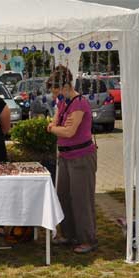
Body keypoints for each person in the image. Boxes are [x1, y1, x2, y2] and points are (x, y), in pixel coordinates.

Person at [46, 65, 98, 254]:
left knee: (81, 199)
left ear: (65, 85)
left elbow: (68, 131)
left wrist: (53, 128)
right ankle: (68, 234)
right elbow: (56, 123)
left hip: (81, 156)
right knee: (63, 197)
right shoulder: (63, 103)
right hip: (66, 156)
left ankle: (88, 239)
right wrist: (55, 126)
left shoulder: (80, 102)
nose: (54, 93)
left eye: (55, 88)